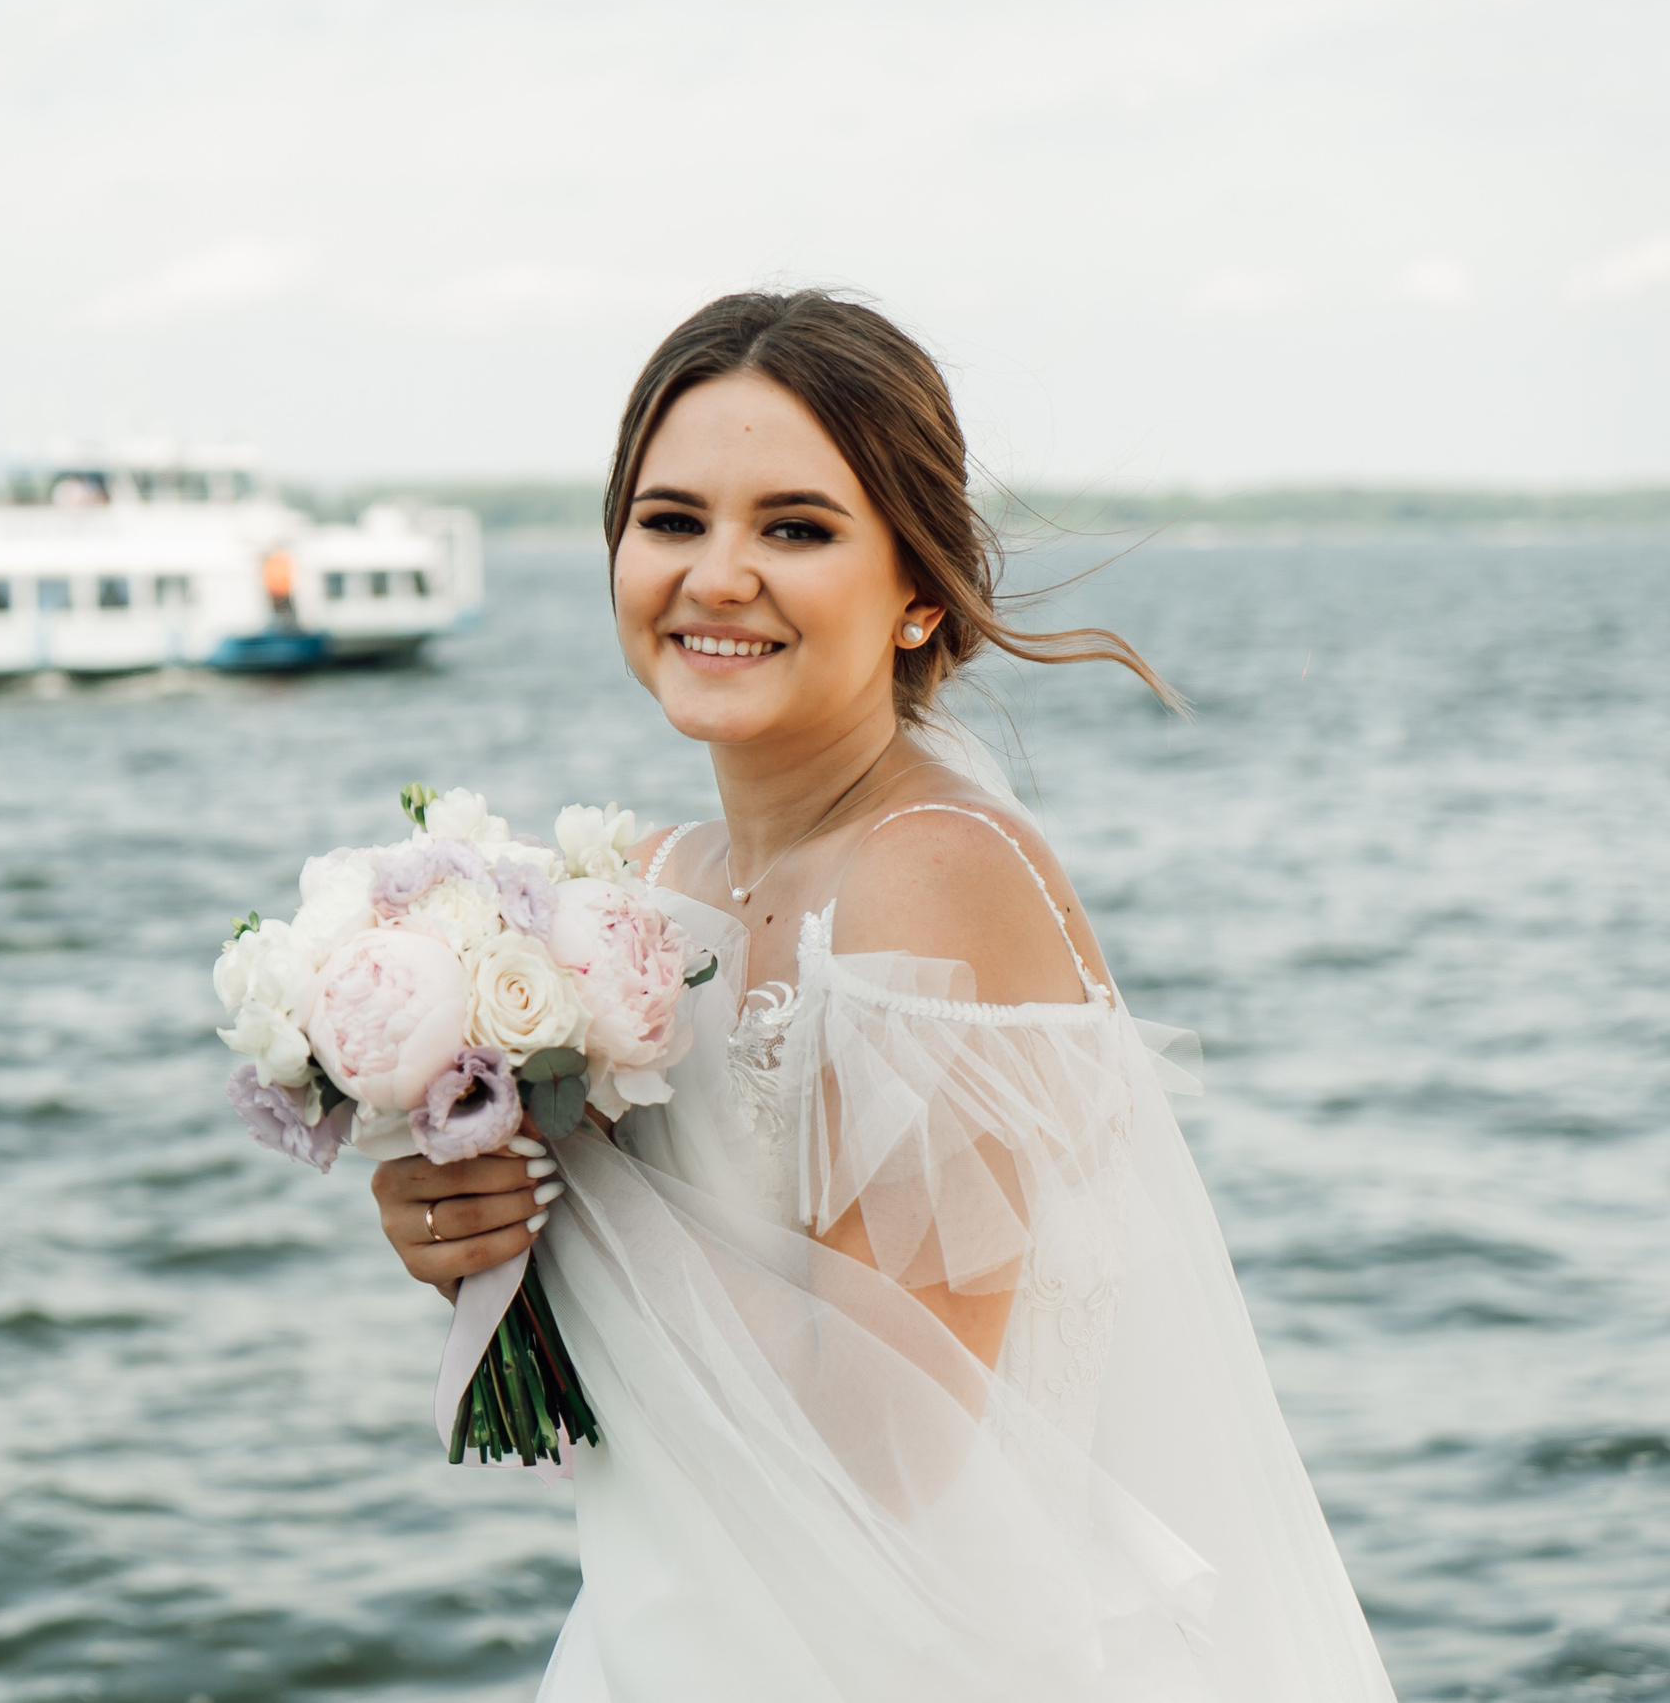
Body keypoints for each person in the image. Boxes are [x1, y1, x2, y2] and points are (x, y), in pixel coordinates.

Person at [369, 291, 1397, 1699]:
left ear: (918, 588)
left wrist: (570, 1180)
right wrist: (468, 1216)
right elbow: (641, 1353)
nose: (718, 574)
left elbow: (888, 1448)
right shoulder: (652, 881)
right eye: (672, 520)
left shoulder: (932, 873)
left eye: (794, 527)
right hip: (674, 1626)